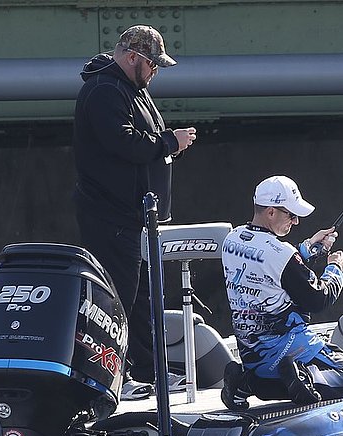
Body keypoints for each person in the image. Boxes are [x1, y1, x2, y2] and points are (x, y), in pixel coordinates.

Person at [72, 25, 197, 394]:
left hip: (135, 217)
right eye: (152, 64)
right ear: (132, 58)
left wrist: (164, 142)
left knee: (143, 297)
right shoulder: (103, 91)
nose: (156, 71)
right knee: (116, 297)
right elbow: (123, 142)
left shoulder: (131, 89)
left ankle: (147, 372)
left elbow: (139, 138)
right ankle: (114, 377)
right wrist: (169, 142)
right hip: (109, 215)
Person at [220, 175, 343, 409]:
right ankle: (302, 380)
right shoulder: (281, 254)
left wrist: (309, 248)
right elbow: (317, 299)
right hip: (290, 345)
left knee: (266, 373)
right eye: (291, 215)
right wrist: (335, 269)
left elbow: (270, 269)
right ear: (271, 212)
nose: (295, 222)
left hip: (252, 354)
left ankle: (245, 382)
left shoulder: (232, 239)